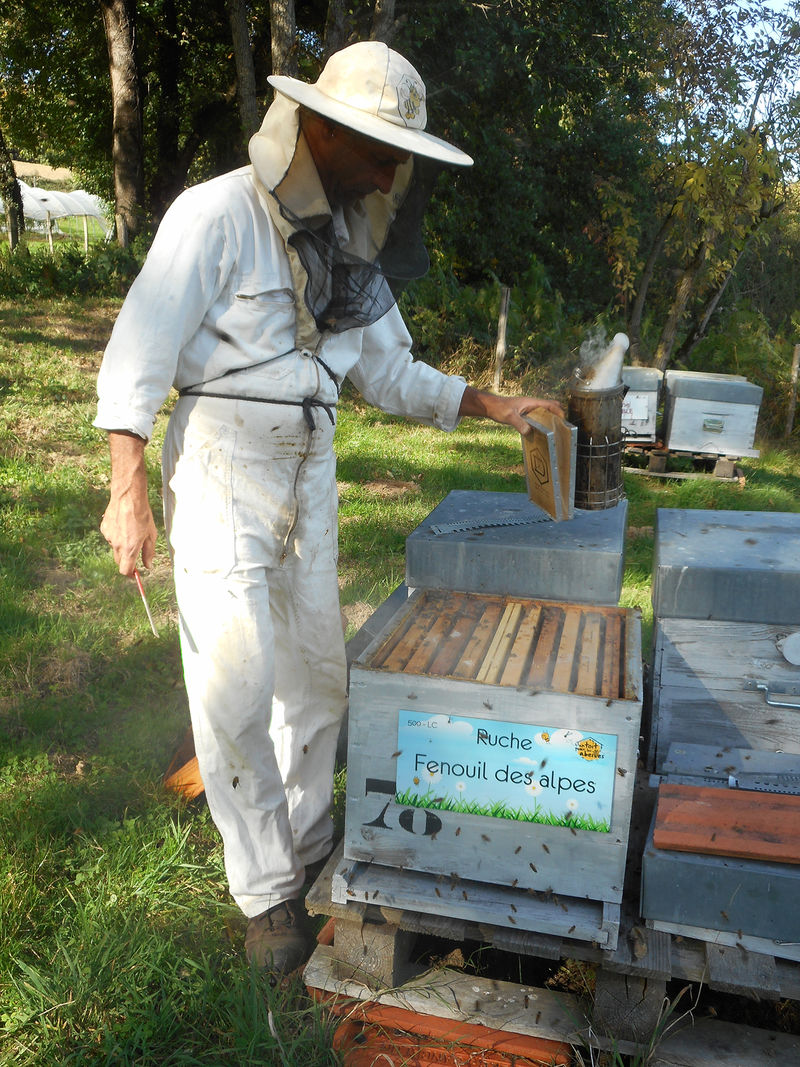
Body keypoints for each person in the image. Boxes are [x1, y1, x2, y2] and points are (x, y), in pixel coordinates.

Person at [95, 40, 563, 976]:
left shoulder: (355, 241)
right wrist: (127, 487)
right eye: (380, 150)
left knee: (317, 677)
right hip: (225, 458)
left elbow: (389, 370)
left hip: (310, 466)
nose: (392, 171)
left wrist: (492, 404)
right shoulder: (217, 213)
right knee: (234, 679)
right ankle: (266, 894)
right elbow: (140, 345)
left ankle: (307, 853)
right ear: (320, 129)